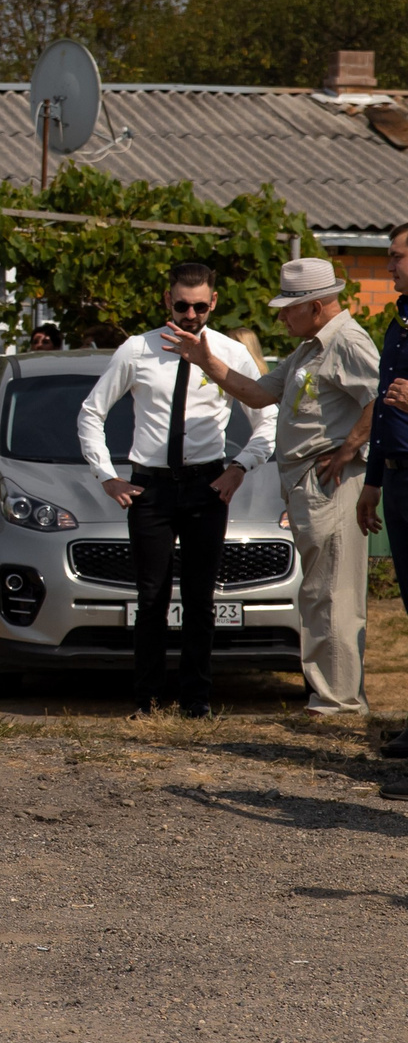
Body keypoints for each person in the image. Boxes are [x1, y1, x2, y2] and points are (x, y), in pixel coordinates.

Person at [172, 259, 377, 718]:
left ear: (316, 307)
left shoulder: (346, 341)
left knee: (332, 593)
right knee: (318, 592)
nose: (281, 316)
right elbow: (259, 393)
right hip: (307, 483)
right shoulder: (309, 348)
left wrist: (348, 449)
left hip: (330, 483)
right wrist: (206, 360)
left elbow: (380, 398)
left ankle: (339, 704)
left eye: (289, 308)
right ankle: (328, 697)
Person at [76, 261, 273, 718]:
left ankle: (196, 700)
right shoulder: (138, 349)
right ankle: (146, 700)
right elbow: (91, 412)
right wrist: (106, 474)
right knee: (151, 597)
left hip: (207, 485)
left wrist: (240, 467)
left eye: (200, 307)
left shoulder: (229, 353)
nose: (190, 315)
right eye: (182, 305)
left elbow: (268, 418)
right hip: (152, 487)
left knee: (201, 598)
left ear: (213, 302)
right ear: (168, 300)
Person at [356, 226, 408, 754]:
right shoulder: (399, 322)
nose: (389, 267)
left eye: (396, 257)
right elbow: (383, 410)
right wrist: (372, 481)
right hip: (395, 475)